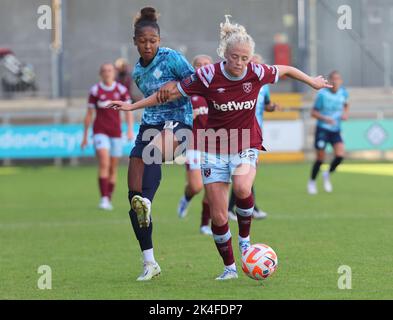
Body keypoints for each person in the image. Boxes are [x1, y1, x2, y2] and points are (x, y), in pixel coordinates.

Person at [108, 15, 331, 280]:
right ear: (225, 54)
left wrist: (312, 82)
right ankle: (230, 268)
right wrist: (132, 106)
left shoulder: (256, 72)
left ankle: (245, 242)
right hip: (214, 147)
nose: (239, 63)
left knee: (242, 187)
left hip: (245, 142)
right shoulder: (207, 75)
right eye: (235, 57)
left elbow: (285, 69)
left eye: (245, 58)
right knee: (218, 215)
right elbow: (170, 92)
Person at [118, 7, 195, 281]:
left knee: (152, 155)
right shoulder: (138, 71)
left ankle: (146, 203)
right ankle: (149, 262)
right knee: (133, 196)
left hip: (179, 123)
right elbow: (151, 101)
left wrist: (175, 87)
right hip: (149, 125)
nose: (148, 45)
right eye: (143, 41)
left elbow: (196, 81)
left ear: (159, 40)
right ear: (135, 42)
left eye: (152, 40)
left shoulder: (172, 57)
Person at [227, 53, 279, 221]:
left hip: (255, 134)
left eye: (259, 64)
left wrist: (273, 107)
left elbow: (267, 105)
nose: (256, 67)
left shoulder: (265, 85)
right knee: (243, 170)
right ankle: (234, 209)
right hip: (238, 132)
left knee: (246, 170)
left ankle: (243, 208)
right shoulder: (240, 82)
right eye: (253, 63)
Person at [81, 63, 134, 210]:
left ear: (114, 73)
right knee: (104, 163)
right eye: (104, 71)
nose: (107, 73)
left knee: (113, 167)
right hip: (100, 131)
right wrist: (85, 136)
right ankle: (104, 198)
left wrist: (130, 130)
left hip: (116, 132)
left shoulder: (121, 90)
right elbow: (89, 115)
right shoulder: (95, 90)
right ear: (100, 74)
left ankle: (108, 197)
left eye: (110, 70)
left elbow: (128, 111)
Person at [177, 54, 213, 236]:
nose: (203, 67)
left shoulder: (219, 89)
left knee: (213, 187)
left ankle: (204, 224)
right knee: (196, 186)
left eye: (207, 64)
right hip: (194, 144)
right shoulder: (188, 93)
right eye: (199, 65)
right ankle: (187, 197)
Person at [308, 71, 349, 195]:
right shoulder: (323, 95)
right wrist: (326, 119)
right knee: (320, 158)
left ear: (341, 81)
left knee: (340, 155)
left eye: (338, 79)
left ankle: (327, 174)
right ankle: (312, 181)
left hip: (336, 130)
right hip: (323, 129)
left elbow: (346, 104)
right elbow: (313, 113)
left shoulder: (343, 92)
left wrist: (345, 113)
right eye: (334, 79)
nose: (336, 81)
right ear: (330, 81)